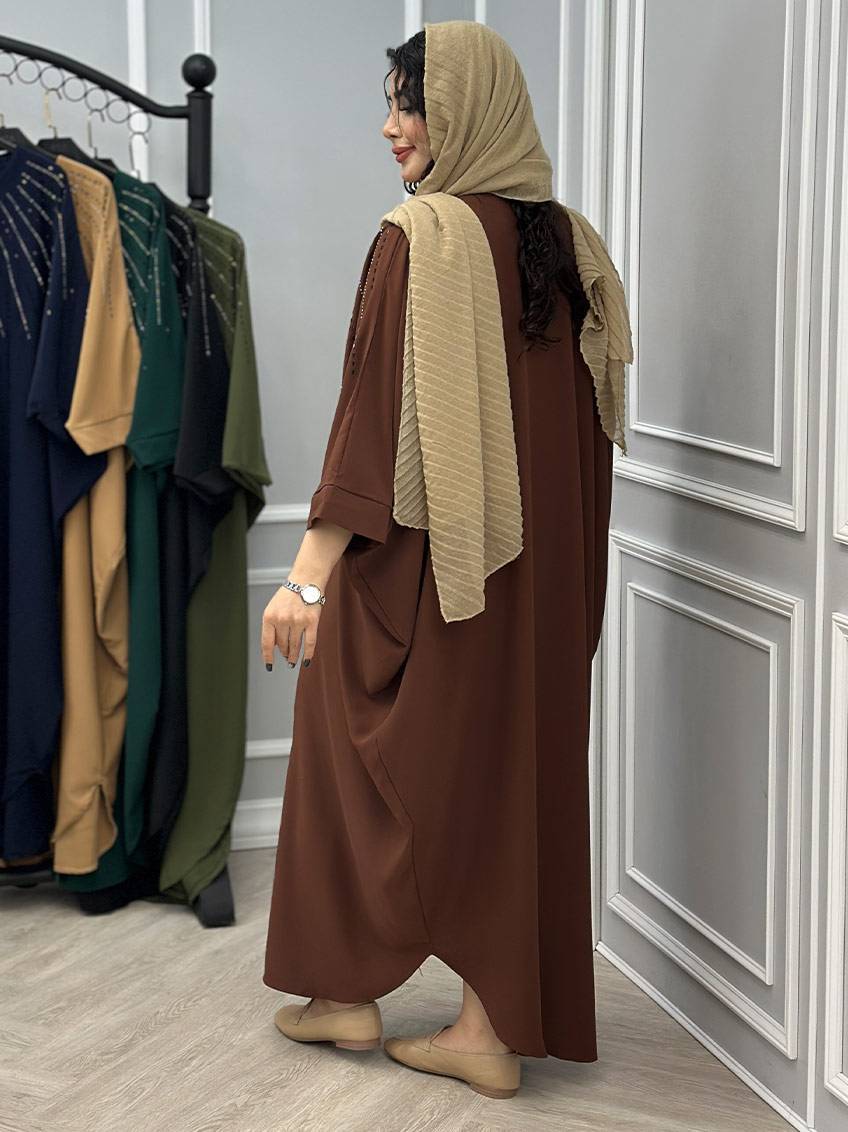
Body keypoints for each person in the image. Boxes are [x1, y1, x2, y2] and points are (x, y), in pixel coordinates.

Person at [261, 20, 629, 1100]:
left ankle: (341, 993)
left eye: (413, 103)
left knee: (341, 740)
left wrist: (307, 576)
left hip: (440, 571)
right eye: (391, 102)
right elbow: (592, 438)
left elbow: (369, 419)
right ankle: (489, 1029)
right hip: (542, 580)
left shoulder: (419, 236)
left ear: (468, 112)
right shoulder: (571, 247)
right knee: (515, 778)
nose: (393, 126)